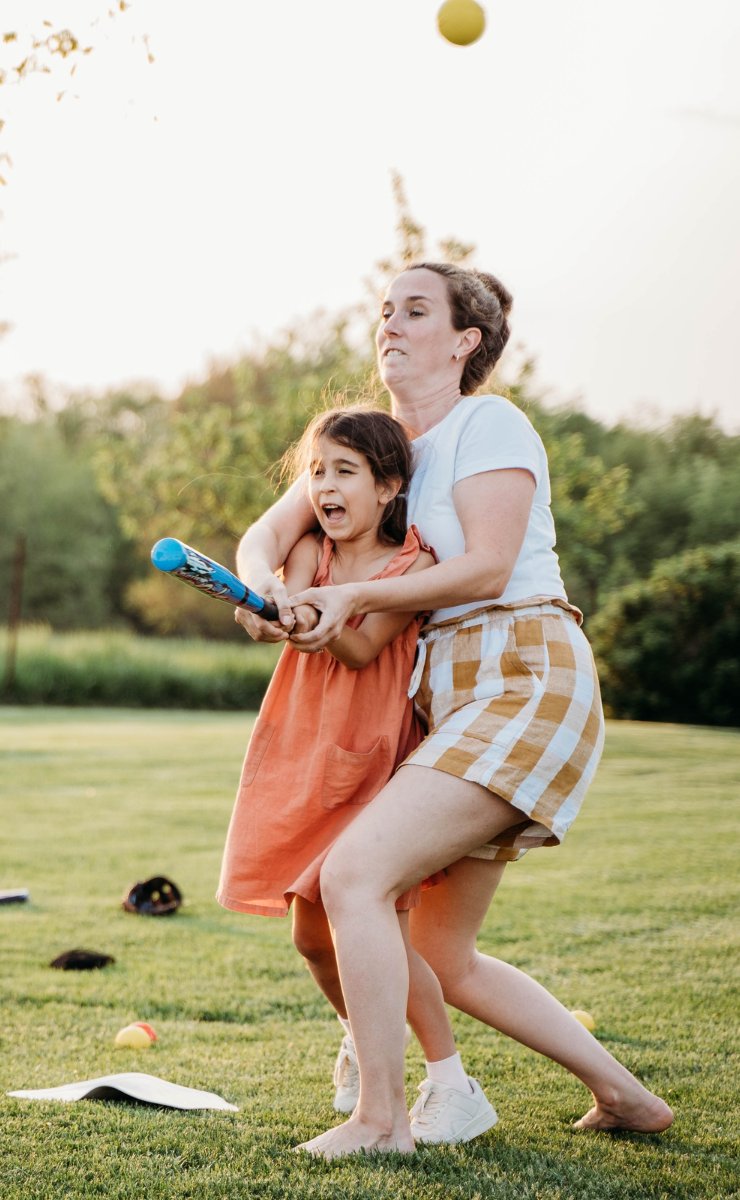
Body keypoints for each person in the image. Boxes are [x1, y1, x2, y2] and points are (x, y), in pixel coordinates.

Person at [233, 262, 674, 1157]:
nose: (390, 325)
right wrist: (262, 590)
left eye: (415, 311)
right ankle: (626, 1097)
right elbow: (268, 535)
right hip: (445, 697)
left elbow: (488, 566)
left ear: (465, 340)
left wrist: (354, 599)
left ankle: (381, 1121)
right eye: (384, 311)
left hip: (521, 673)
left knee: (352, 877)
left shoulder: (488, 422)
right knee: (440, 955)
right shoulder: (377, 445)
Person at [217, 406, 496, 1144]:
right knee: (312, 937)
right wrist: (273, 609)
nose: (325, 487)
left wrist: (321, 624)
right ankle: (362, 1036)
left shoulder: (416, 567)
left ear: (388, 486)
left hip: (370, 758)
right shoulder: (312, 550)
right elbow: (284, 591)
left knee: (383, 929)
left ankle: (450, 1078)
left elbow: (363, 646)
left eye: (345, 471)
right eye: (317, 472)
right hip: (301, 749)